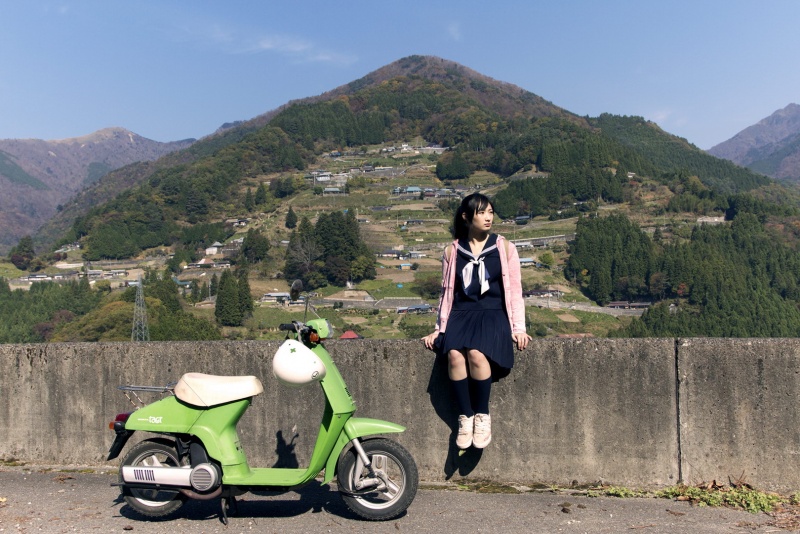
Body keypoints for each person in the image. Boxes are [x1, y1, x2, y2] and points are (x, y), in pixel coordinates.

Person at [423, 193, 531, 449]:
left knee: (476, 353)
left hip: (493, 314)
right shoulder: (452, 251)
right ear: (466, 216)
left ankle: (482, 415)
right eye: (482, 212)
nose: (488, 217)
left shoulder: (504, 248)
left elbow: (515, 290)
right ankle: (465, 417)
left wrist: (519, 328)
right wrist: (439, 329)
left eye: (490, 212)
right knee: (454, 355)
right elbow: (447, 293)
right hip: (461, 314)